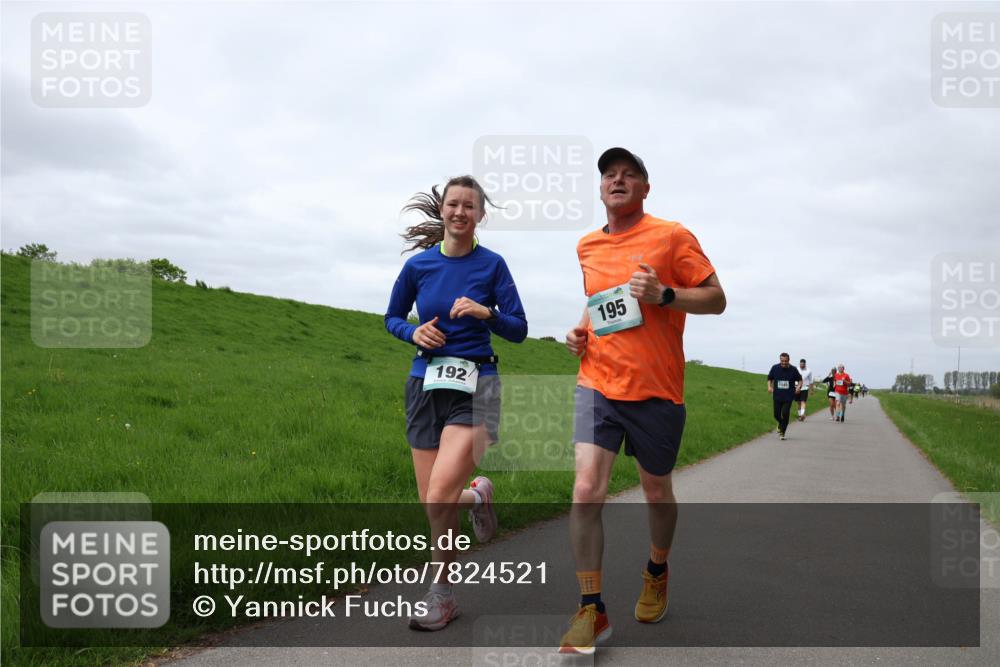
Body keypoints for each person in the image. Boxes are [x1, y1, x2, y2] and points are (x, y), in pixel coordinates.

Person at [559, 148, 726, 654]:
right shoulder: (587, 245)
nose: (618, 180)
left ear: (645, 188)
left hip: (656, 390)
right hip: (597, 384)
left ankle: (656, 569)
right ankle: (591, 609)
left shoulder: (672, 236)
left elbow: (716, 298)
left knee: (656, 492)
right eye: (609, 174)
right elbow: (598, 302)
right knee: (586, 489)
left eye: (629, 174)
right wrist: (580, 332)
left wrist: (665, 295)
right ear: (600, 188)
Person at [384, 175, 528, 631]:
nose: (460, 211)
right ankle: (478, 496)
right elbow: (391, 317)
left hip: (477, 383)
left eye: (469, 205)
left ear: (480, 215)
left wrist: (488, 314)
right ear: (442, 209)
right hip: (425, 383)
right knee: (434, 501)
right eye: (453, 204)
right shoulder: (420, 266)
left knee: (440, 494)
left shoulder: (493, 266)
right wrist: (414, 332)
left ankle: (441, 595)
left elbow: (519, 328)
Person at [768, 353, 802, 439]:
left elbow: (800, 380)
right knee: (776, 415)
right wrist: (769, 387)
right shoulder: (775, 368)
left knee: (785, 413)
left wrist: (798, 387)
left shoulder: (793, 369)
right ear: (780, 360)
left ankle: (782, 433)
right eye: (782, 361)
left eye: (785, 361)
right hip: (777, 395)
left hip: (788, 396)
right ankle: (780, 423)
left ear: (789, 360)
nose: (783, 363)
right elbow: (770, 378)